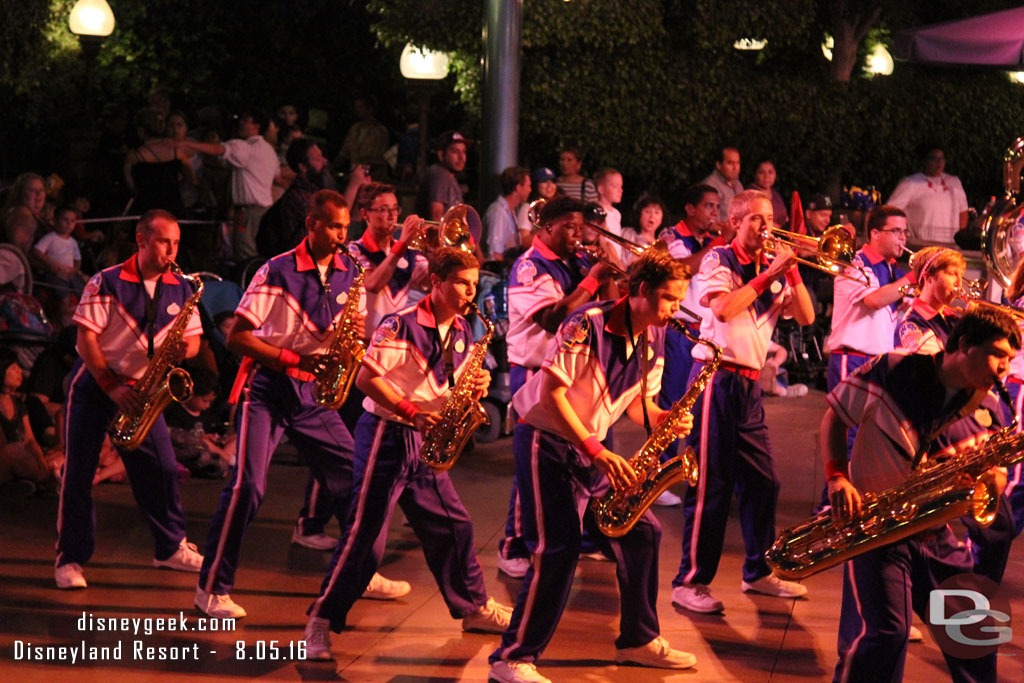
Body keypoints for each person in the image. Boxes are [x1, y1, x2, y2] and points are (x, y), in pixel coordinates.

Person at [488, 247, 697, 683]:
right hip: (547, 441)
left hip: (589, 447)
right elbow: (552, 396)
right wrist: (597, 452)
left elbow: (642, 407)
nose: (676, 310)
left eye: (679, 300)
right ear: (638, 291)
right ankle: (512, 658)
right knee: (558, 549)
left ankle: (638, 640)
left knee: (643, 533)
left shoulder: (654, 335)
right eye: (667, 299)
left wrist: (665, 417)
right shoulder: (586, 324)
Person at [195, 189, 405, 619]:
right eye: (333, 226)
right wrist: (295, 358)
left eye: (346, 227)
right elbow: (238, 337)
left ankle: (359, 573)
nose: (342, 235)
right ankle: (211, 588)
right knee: (248, 487)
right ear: (311, 225)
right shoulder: (278, 270)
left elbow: (356, 333)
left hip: (313, 393)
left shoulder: (350, 270)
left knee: (359, 484)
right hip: (268, 388)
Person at [303, 247, 513, 659]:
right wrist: (412, 412)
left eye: (473, 285)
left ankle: (472, 607)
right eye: (461, 284)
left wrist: (474, 385)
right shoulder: (400, 324)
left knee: (455, 525)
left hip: (426, 440)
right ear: (436, 282)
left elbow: (450, 383)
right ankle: (321, 620)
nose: (470, 293)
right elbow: (366, 379)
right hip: (387, 434)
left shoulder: (463, 330)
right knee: (365, 538)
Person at [821, 309, 1019, 682]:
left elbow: (991, 473)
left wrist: (992, 478)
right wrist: (837, 478)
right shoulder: (893, 369)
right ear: (964, 345)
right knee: (885, 636)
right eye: (997, 354)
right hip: (879, 527)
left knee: (977, 630)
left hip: (937, 531)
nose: (1002, 369)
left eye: (1009, 359)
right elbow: (834, 417)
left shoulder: (991, 408)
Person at [672, 190, 814, 614]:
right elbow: (724, 310)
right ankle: (689, 582)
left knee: (764, 480)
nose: (765, 226)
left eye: (768, 218)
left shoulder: (771, 269)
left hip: (749, 386)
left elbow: (806, 317)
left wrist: (793, 273)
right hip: (717, 377)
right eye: (755, 218)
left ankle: (758, 572)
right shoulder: (720, 259)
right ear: (735, 222)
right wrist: (769, 273)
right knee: (711, 484)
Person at [56, 209, 205, 590]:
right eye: (162, 242)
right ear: (141, 240)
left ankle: (170, 548)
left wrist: (182, 351)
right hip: (96, 384)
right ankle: (70, 558)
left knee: (164, 470)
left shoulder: (182, 286)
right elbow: (84, 340)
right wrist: (110, 385)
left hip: (143, 390)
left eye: (175, 242)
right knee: (79, 473)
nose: (171, 251)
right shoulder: (107, 281)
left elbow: (194, 340)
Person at [498, 196, 617, 578]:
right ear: (546, 227)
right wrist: (593, 278)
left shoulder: (575, 262)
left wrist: (610, 272)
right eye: (569, 227)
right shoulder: (529, 267)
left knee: (581, 458)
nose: (577, 234)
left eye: (580, 227)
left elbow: (612, 309)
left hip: (574, 371)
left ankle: (585, 536)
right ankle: (513, 544)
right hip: (534, 371)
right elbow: (553, 318)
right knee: (531, 464)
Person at [828, 206, 914, 392]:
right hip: (853, 358)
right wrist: (914, 278)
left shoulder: (896, 273)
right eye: (895, 231)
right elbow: (874, 301)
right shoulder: (855, 264)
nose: (903, 237)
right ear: (875, 234)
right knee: (849, 421)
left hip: (880, 361)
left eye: (904, 231)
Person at [180, 110, 280, 261]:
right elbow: (277, 177)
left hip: (249, 212)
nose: (240, 122)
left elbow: (219, 149)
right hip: (264, 210)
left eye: (245, 120)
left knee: (246, 254)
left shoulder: (245, 147)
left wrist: (187, 143)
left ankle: (247, 284)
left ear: (256, 125)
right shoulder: (269, 151)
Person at [0, 351, 60, 494]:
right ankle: (43, 481)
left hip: (21, 457)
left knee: (54, 457)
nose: (19, 371)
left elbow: (30, 440)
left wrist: (41, 462)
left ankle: (27, 482)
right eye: (14, 368)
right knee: (13, 452)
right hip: (7, 457)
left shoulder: (18, 403)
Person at [887, 145, 968, 246]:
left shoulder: (954, 182)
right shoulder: (911, 183)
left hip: (950, 244)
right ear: (924, 161)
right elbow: (891, 211)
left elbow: (963, 211)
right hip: (921, 244)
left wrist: (961, 238)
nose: (939, 162)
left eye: (941, 158)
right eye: (934, 158)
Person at [894, 247, 965, 354]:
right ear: (928, 277)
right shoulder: (912, 324)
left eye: (961, 276)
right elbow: (943, 367)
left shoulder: (951, 318)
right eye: (951, 274)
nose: (959, 283)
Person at [335, 96, 391, 180]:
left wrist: (361, 172)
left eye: (360, 107)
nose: (357, 110)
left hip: (373, 179)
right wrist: (332, 167)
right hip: (356, 177)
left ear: (370, 109)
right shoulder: (354, 129)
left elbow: (378, 159)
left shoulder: (380, 132)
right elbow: (345, 152)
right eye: (356, 107)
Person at [485, 166, 531, 261]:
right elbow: (494, 254)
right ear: (518, 188)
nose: (530, 190)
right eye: (528, 186)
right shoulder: (498, 213)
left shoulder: (510, 211)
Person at [420, 130, 467, 222]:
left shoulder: (448, 176)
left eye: (464, 152)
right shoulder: (440, 176)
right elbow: (436, 217)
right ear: (441, 155)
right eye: (455, 152)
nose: (461, 157)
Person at [2, 172, 47, 255]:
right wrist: (54, 266)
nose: (38, 194)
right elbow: (22, 253)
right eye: (31, 190)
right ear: (20, 194)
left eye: (41, 190)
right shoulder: (22, 215)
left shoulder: (34, 214)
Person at [515, 167, 559, 248]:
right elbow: (524, 242)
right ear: (536, 185)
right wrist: (546, 230)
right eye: (544, 181)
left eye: (553, 182)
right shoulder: (528, 208)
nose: (549, 186)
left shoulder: (558, 207)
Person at [620, 194, 666, 268]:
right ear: (639, 214)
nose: (652, 216)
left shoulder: (661, 247)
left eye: (656, 213)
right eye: (647, 212)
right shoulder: (626, 233)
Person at [702, 147, 743, 223]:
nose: (735, 167)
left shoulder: (737, 184)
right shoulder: (710, 186)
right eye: (730, 163)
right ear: (718, 165)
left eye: (737, 163)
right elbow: (710, 222)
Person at [594, 168, 625, 262]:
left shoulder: (616, 214)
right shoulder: (596, 211)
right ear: (601, 189)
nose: (621, 190)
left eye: (621, 186)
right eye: (615, 186)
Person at [746, 159, 788, 227]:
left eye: (770, 172)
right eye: (761, 172)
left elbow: (785, 220)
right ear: (755, 174)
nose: (766, 176)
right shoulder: (750, 195)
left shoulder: (776, 196)